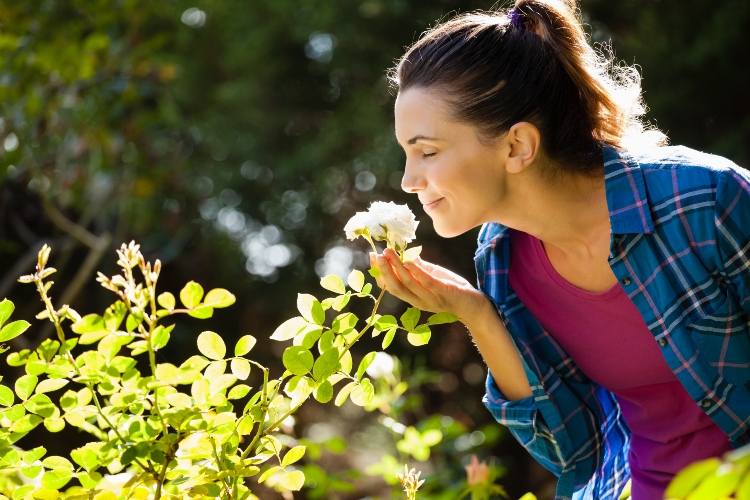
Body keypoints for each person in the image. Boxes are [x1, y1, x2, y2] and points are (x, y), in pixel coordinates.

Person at [368, 1, 750, 499]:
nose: (409, 180)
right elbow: (574, 450)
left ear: (516, 147)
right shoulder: (504, 258)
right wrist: (475, 313)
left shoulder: (703, 200)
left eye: (428, 151)